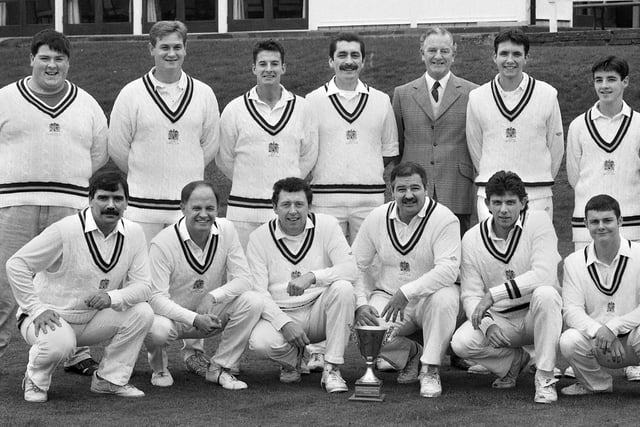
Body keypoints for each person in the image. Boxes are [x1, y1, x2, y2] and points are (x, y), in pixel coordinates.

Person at [0, 29, 107, 376]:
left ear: (68, 63)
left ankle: (76, 353)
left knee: (73, 281)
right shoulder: (5, 98)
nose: (51, 65)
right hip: (15, 205)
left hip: (69, 207)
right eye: (44, 57)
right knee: (4, 285)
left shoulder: (87, 103)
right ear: (31, 59)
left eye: (59, 58)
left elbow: (99, 153)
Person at [6, 171, 154, 402]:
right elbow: (16, 265)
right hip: (48, 318)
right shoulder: (66, 229)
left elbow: (144, 286)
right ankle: (35, 380)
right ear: (90, 199)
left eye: (118, 199)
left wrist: (111, 298)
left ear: (127, 203)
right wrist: (36, 309)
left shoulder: (134, 233)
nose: (111, 205)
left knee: (142, 312)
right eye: (103, 198)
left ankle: (109, 380)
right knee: (61, 343)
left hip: (91, 321)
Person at [450, 171, 562, 404]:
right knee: (460, 343)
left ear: (523, 202)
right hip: (502, 322)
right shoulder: (472, 238)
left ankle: (544, 376)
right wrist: (487, 325)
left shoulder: (539, 222)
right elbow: (470, 294)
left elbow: (544, 274)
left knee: (547, 293)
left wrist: (494, 294)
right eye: (497, 202)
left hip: (536, 316)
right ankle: (512, 361)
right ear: (487, 204)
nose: (504, 209)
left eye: (511, 202)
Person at [352, 162, 461, 398]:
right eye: (401, 189)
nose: (408, 195)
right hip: (388, 297)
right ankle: (413, 353)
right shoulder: (377, 217)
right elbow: (355, 265)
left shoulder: (445, 219)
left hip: (429, 297)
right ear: (391, 191)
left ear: (426, 188)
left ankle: (431, 369)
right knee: (366, 332)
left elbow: (448, 271)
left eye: (415, 188)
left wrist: (407, 292)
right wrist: (361, 303)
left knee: (445, 298)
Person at [109, 20, 219, 244]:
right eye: (164, 47)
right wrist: (145, 171)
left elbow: (209, 146)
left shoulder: (204, 94)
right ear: (152, 49)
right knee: (141, 274)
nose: (171, 53)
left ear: (185, 49)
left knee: (187, 274)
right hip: (141, 209)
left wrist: (184, 165)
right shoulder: (131, 93)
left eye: (177, 47)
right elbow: (118, 148)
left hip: (188, 209)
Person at [145, 181, 263, 390]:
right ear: (182, 208)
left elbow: (244, 279)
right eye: (196, 208)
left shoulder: (227, 229)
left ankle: (219, 368)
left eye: (210, 208)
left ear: (218, 209)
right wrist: (193, 318)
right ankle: (160, 368)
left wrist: (213, 296)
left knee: (253, 301)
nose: (203, 214)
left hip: (209, 315)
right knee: (156, 328)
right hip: (174, 320)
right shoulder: (163, 243)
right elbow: (155, 300)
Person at [246, 177, 356, 393]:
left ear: (309, 205)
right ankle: (292, 360)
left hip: (319, 311)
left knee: (343, 288)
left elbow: (350, 269)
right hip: (282, 311)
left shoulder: (327, 225)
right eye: (286, 205)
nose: (293, 211)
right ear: (274, 207)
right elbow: (258, 292)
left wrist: (312, 276)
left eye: (299, 204)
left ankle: (332, 368)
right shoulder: (258, 238)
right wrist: (284, 323)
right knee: (260, 343)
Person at [216, 39, 318, 249]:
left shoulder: (303, 108)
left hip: (286, 212)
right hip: (244, 211)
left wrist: (287, 186)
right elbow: (224, 158)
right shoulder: (234, 109)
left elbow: (308, 156)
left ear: (283, 68)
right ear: (254, 68)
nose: (268, 69)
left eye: (274, 64)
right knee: (243, 274)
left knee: (285, 274)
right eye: (263, 64)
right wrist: (249, 180)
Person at [306, 32, 399, 244]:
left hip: (369, 201)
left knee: (369, 267)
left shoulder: (381, 100)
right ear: (331, 61)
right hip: (325, 201)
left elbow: (388, 150)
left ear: (363, 61)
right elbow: (305, 150)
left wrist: (363, 170)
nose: (349, 61)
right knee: (326, 265)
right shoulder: (312, 101)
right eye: (342, 55)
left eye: (355, 55)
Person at [466, 29, 564, 221]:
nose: (510, 60)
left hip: (537, 195)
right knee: (493, 249)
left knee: (534, 250)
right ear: (494, 57)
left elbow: (556, 146)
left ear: (526, 58)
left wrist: (538, 178)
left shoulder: (547, 94)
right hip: (491, 195)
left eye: (517, 54)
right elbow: (475, 146)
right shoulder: (477, 97)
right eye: (504, 54)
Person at [392, 27, 478, 234]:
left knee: (457, 253)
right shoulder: (402, 94)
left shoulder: (474, 93)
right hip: (414, 189)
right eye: (431, 50)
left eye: (444, 51)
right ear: (422, 54)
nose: (438, 56)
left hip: (457, 187)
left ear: (454, 54)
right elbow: (397, 144)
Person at [560, 195, 640, 395]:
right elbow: (571, 310)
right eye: (594, 222)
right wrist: (600, 331)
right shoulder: (573, 262)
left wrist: (614, 327)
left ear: (620, 221)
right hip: (597, 343)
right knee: (568, 340)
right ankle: (597, 385)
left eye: (607, 220)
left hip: (632, 339)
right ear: (586, 224)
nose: (601, 227)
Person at [567, 56, 640, 250]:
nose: (604, 86)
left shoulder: (638, 125)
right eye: (599, 80)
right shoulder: (578, 126)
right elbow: (575, 176)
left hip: (632, 225)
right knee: (586, 279)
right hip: (587, 226)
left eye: (611, 79)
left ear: (625, 82)